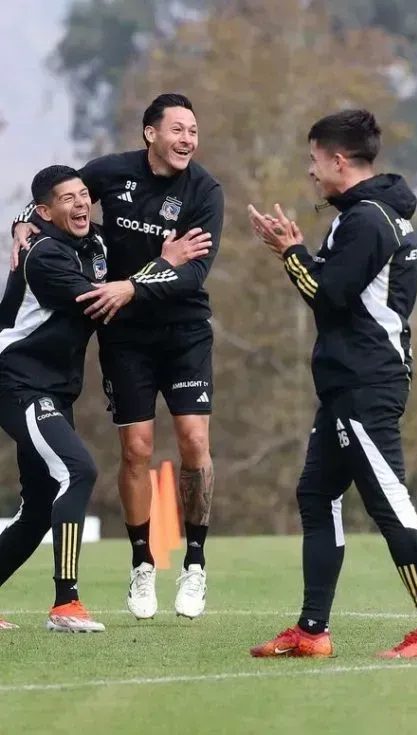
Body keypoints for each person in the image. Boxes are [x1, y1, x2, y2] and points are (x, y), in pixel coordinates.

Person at [246, 109, 417, 659]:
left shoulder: (367, 219)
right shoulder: (367, 216)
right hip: (349, 383)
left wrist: (291, 255)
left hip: (366, 382)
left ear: (338, 160)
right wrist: (301, 253)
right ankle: (312, 631)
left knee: (389, 503)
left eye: (314, 161)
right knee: (316, 494)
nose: (311, 172)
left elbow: (328, 297)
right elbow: (344, 287)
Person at [10, 93, 221, 620]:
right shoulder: (109, 174)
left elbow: (192, 271)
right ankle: (142, 563)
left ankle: (194, 562)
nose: (187, 139)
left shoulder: (205, 191)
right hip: (123, 332)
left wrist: (133, 283)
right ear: (149, 132)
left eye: (193, 131)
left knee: (194, 439)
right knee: (135, 450)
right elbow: (56, 198)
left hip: (185, 329)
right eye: (177, 129)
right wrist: (20, 223)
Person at [0, 166, 125, 631]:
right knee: (78, 470)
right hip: (17, 382)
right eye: (66, 199)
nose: (80, 204)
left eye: (84, 195)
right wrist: (157, 278)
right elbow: (101, 301)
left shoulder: (93, 243)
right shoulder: (45, 255)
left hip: (52, 388)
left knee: (37, 508)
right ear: (45, 212)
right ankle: (65, 604)